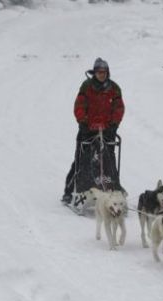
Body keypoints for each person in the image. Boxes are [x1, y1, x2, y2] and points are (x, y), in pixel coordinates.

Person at [62, 58, 125, 204]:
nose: (101, 75)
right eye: (98, 72)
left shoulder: (114, 88)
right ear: (94, 73)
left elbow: (119, 108)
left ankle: (113, 188)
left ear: (107, 73)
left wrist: (114, 125)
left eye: (104, 72)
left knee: (109, 161)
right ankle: (70, 191)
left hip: (107, 130)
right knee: (81, 160)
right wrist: (83, 122)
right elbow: (79, 106)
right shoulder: (87, 86)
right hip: (87, 130)